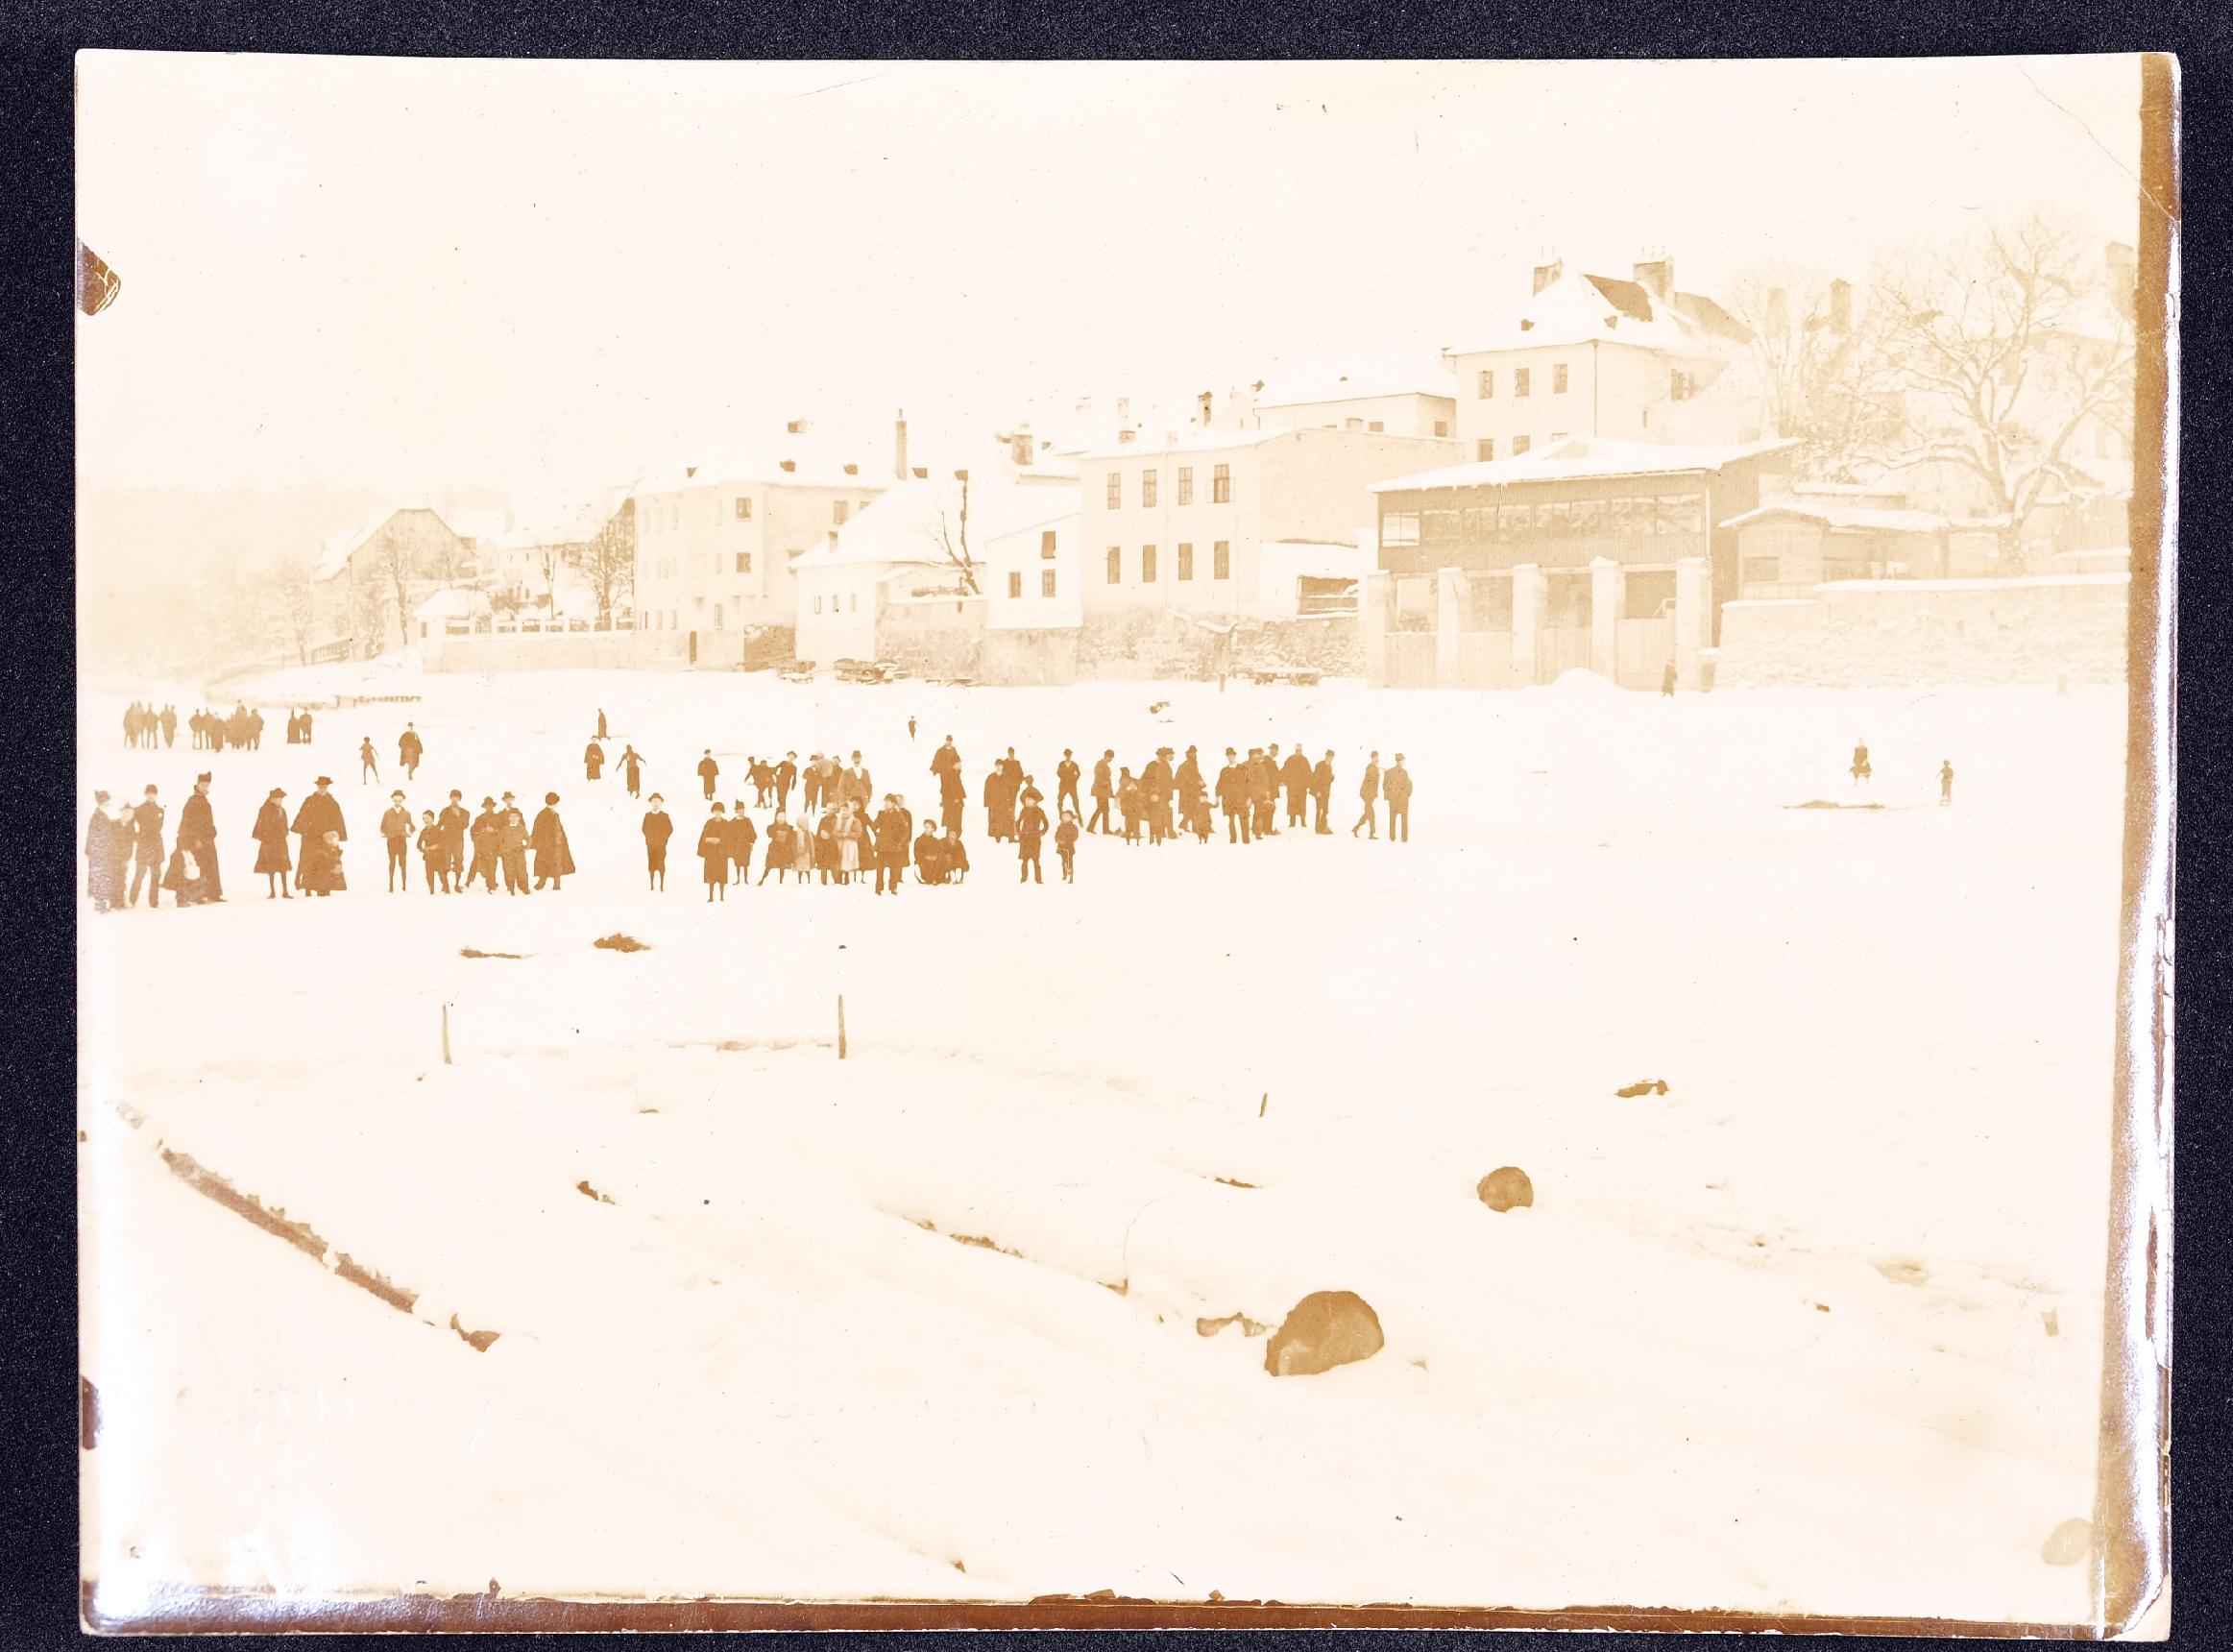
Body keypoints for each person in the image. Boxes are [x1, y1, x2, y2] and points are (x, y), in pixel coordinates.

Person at [290, 777, 346, 896]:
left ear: (328, 787)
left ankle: (325, 888)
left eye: (324, 786)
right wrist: (305, 830)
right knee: (309, 862)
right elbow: (302, 816)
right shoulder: (310, 801)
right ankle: (308, 888)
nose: (322, 788)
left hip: (327, 839)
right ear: (317, 787)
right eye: (320, 786)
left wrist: (334, 834)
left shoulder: (332, 802)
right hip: (311, 838)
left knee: (327, 863)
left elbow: (337, 820)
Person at [178, 771, 222, 905]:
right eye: (202, 785)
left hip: (208, 839)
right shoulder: (193, 801)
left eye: (207, 785)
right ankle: (198, 895)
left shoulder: (203, 799)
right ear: (197, 785)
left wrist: (212, 831)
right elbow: (189, 822)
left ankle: (213, 894)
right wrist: (195, 839)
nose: (204, 787)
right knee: (201, 866)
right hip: (198, 840)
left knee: (211, 866)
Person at [129, 784, 166, 909]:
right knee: (140, 873)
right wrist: (137, 837)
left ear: (156, 795)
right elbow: (130, 825)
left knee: (156, 874)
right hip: (144, 846)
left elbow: (160, 826)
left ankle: (154, 902)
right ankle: (132, 900)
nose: (151, 796)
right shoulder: (139, 809)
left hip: (157, 846)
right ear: (146, 794)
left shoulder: (160, 810)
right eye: (149, 794)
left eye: (153, 794)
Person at [252, 787, 292, 898]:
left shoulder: (282, 810)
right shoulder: (265, 810)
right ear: (272, 799)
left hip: (281, 842)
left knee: (283, 867)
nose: (280, 801)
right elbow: (262, 825)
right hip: (270, 842)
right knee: (271, 868)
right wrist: (268, 837)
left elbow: (285, 824)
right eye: (278, 799)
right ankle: (272, 892)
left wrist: (284, 833)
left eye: (281, 799)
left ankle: (285, 891)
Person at [85, 792, 122, 911]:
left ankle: (101, 903)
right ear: (103, 802)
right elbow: (95, 835)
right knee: (101, 877)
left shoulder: (101, 815)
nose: (109, 803)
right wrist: (99, 851)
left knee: (102, 877)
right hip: (100, 853)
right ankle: (100, 904)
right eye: (108, 801)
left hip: (100, 852)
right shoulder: (98, 816)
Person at [531, 792, 575, 889]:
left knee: (552, 863)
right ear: (555, 802)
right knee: (550, 864)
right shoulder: (547, 814)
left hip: (554, 844)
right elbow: (539, 830)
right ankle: (547, 884)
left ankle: (549, 884)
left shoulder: (548, 814)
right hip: (550, 845)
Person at [873, 793, 912, 896]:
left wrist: (898, 841)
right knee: (879, 869)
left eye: (888, 802)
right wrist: (877, 834)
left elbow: (905, 831)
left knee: (894, 869)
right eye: (885, 802)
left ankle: (893, 887)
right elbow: (874, 826)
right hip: (881, 847)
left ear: (893, 803)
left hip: (893, 848)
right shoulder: (881, 814)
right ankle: (878, 888)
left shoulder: (898, 815)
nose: (885, 804)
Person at [380, 790, 414, 891]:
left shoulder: (406, 813)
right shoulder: (387, 813)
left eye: (399, 800)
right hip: (391, 840)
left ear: (402, 800)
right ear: (393, 800)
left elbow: (412, 826)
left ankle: (404, 886)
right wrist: (385, 833)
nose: (397, 803)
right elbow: (382, 826)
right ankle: (391, 886)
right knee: (392, 863)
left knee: (403, 864)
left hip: (402, 840)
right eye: (395, 800)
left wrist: (409, 833)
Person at [438, 790, 472, 894]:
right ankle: (445, 885)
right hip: (446, 841)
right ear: (450, 798)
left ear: (459, 799)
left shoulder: (465, 812)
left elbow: (465, 825)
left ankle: (457, 884)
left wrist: (458, 816)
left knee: (458, 862)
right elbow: (439, 825)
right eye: (453, 797)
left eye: (456, 797)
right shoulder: (445, 811)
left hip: (458, 841)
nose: (454, 799)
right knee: (445, 862)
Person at [468, 797, 502, 892]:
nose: (488, 807)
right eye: (487, 806)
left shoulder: (498, 817)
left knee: (492, 865)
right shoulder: (480, 818)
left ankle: (491, 883)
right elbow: (472, 831)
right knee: (475, 863)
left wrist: (496, 833)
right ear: (484, 807)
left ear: (493, 806)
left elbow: (502, 831)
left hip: (492, 846)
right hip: (481, 845)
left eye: (490, 806)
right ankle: (468, 881)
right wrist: (476, 841)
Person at [1217, 748, 1250, 844]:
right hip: (1229, 799)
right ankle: (1233, 840)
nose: (1230, 758)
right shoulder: (1224, 771)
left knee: (1244, 820)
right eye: (1228, 756)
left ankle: (1246, 840)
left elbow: (1248, 784)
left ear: (1235, 756)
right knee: (1231, 821)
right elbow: (1220, 784)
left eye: (1232, 756)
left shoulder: (1243, 769)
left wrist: (1249, 798)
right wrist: (1217, 797)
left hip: (1241, 798)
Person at [1016, 791, 1050, 884]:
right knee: (1024, 861)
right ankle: (1024, 878)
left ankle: (1038, 879)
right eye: (1026, 800)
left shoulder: (1040, 811)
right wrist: (1019, 833)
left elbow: (1046, 824)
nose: (1027, 802)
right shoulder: (1023, 810)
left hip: (1035, 839)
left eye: (1029, 800)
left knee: (1036, 861)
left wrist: (1042, 832)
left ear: (1036, 801)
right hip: (1025, 839)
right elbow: (1018, 822)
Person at [643, 794, 673, 890]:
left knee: (661, 863)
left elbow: (670, 829)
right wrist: (649, 838)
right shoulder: (647, 815)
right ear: (651, 803)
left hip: (661, 845)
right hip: (651, 845)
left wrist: (664, 839)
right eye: (654, 801)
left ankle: (661, 885)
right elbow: (644, 828)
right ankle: (652, 885)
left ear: (661, 803)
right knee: (651, 862)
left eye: (657, 801)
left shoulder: (664, 816)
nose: (655, 803)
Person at [498, 804, 531, 894]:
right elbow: (500, 841)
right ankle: (511, 888)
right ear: (508, 818)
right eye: (511, 817)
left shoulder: (522, 828)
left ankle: (525, 888)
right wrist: (504, 851)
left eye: (515, 817)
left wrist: (526, 847)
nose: (513, 818)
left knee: (522, 871)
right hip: (508, 854)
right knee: (509, 871)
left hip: (519, 853)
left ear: (519, 818)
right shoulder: (505, 829)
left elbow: (528, 839)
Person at [834, 801, 866, 885]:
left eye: (846, 810)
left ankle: (846, 877)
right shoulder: (837, 820)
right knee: (839, 859)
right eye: (842, 810)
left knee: (846, 860)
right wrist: (839, 834)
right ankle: (839, 877)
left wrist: (848, 834)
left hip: (849, 844)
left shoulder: (855, 821)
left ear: (850, 810)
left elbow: (858, 833)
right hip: (839, 843)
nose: (844, 812)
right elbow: (834, 831)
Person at [725, 802, 758, 887]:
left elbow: (752, 833)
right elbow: (729, 835)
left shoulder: (747, 821)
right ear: (736, 812)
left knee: (746, 863)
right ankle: (738, 879)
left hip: (746, 846)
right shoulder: (732, 822)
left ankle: (746, 879)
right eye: (740, 812)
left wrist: (751, 843)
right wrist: (731, 845)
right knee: (737, 864)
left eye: (743, 811)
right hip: (736, 846)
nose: (741, 813)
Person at [1383, 754, 1414, 842]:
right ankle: (1402, 838)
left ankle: (1394, 838)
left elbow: (1409, 785)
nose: (1403, 762)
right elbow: (1385, 785)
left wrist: (1389, 797)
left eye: (1403, 760)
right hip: (1400, 800)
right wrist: (1407, 793)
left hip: (1398, 800)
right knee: (1401, 820)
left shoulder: (1394, 772)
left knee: (1395, 820)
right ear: (1399, 761)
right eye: (1402, 760)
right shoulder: (1401, 772)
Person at [1281, 744, 1312, 829]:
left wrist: (1310, 784)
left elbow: (1308, 772)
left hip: (1302, 787)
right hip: (1292, 787)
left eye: (1300, 750)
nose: (1298, 752)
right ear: (1295, 750)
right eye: (1297, 750)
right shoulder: (1290, 759)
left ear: (1301, 751)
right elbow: (1284, 770)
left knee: (1302, 803)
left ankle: (1303, 821)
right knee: (1292, 803)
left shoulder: (1304, 760)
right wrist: (1282, 780)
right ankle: (1292, 822)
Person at [759, 812, 795, 885]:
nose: (781, 819)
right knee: (769, 866)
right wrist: (779, 834)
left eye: (783, 817)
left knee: (782, 866)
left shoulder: (789, 828)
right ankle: (762, 879)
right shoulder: (771, 827)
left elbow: (791, 838)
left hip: (784, 849)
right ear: (776, 818)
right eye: (779, 817)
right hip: (774, 849)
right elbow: (770, 834)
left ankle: (781, 881)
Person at [1353, 750, 1381, 838]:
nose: (1376, 759)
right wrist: (1378, 770)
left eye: (1377, 757)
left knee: (1367, 813)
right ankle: (1371, 834)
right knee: (1371, 814)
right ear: (1372, 758)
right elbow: (1371, 775)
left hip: (1370, 794)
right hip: (1367, 794)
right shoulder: (1370, 768)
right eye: (1375, 757)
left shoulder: (1374, 767)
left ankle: (1356, 828)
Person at [416, 812, 447, 893]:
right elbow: (418, 844)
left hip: (438, 856)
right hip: (428, 856)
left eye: (427, 818)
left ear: (432, 819)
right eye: (423, 818)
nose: (425, 820)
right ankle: (431, 892)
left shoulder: (438, 830)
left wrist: (435, 847)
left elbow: (444, 843)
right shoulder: (423, 831)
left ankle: (446, 890)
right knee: (429, 876)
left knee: (441, 874)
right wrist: (423, 849)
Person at [1087, 749, 1114, 835]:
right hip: (1100, 791)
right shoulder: (1100, 764)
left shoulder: (1104, 765)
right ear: (1107, 756)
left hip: (1104, 791)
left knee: (1104, 809)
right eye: (1111, 757)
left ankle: (1105, 829)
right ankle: (1092, 827)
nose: (1111, 759)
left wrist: (1110, 792)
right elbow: (1098, 776)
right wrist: (1104, 784)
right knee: (1101, 809)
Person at [1311, 750, 1336, 834]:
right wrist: (1317, 791)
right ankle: (1319, 829)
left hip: (1326, 792)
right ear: (1326, 756)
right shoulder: (1320, 765)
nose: (1332, 758)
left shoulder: (1329, 766)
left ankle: (1323, 826)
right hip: (1320, 792)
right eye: (1330, 756)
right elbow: (1316, 779)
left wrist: (1332, 777)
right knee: (1320, 809)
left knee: (1325, 809)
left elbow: (1327, 780)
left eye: (1332, 757)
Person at [912, 817, 943, 885]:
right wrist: (926, 857)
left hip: (933, 865)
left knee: (939, 861)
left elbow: (940, 852)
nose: (926, 829)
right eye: (925, 827)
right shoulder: (919, 840)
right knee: (918, 863)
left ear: (933, 829)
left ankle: (934, 878)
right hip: (923, 863)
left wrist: (935, 857)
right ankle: (921, 876)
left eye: (928, 827)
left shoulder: (936, 841)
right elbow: (916, 853)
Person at [1118, 767, 1143, 844]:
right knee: (1133, 825)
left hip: (1132, 811)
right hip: (1130, 811)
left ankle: (1132, 838)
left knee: (1131, 825)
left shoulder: (1123, 781)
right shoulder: (1129, 782)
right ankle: (1132, 838)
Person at [1056, 807, 1080, 883]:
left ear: (1071, 818)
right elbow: (1057, 834)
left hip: (1069, 847)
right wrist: (1057, 840)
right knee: (1063, 861)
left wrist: (1067, 841)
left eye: (1067, 817)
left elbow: (1075, 836)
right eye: (1064, 816)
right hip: (1061, 846)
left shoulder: (1073, 827)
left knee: (1069, 861)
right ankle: (1065, 873)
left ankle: (1071, 876)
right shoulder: (1060, 826)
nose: (1065, 818)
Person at [1056, 749, 1081, 818]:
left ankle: (1078, 815)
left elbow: (1078, 774)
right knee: (1060, 800)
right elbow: (1058, 773)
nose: (1068, 756)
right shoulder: (1061, 764)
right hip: (1063, 785)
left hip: (1072, 785)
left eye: (1069, 755)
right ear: (1065, 755)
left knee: (1075, 800)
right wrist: (1064, 778)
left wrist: (1073, 780)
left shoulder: (1074, 764)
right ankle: (1061, 814)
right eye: (1067, 755)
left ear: (1071, 755)